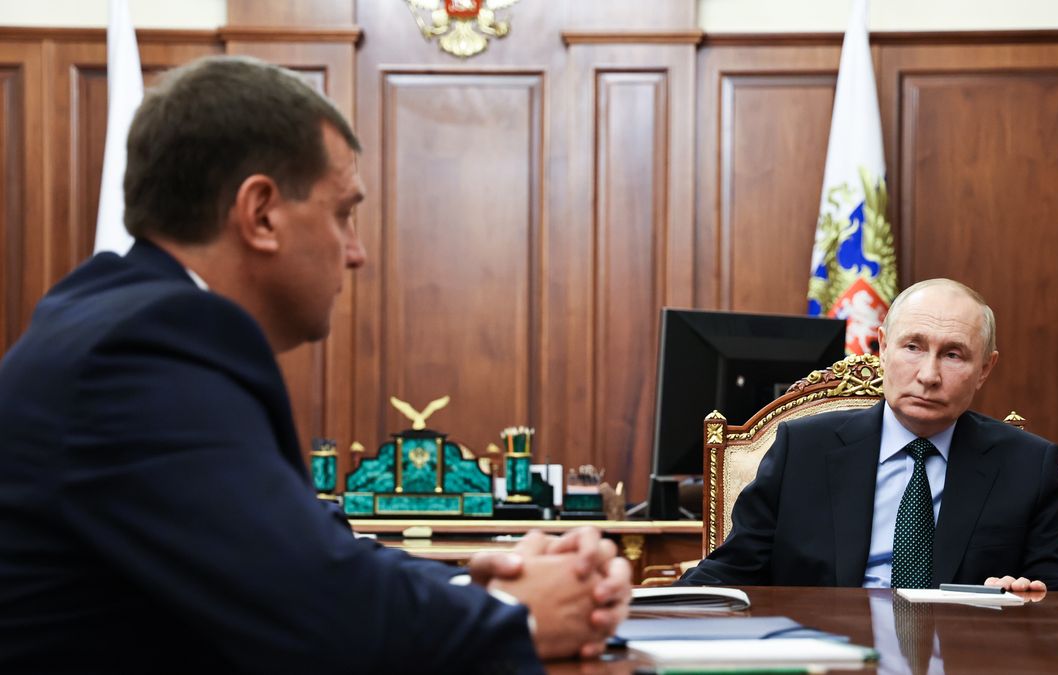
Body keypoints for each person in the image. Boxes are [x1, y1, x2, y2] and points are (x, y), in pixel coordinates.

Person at [0, 55, 630, 673]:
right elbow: (322, 614)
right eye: (343, 214)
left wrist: (475, 581)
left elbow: (304, 554)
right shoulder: (143, 351)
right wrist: (517, 614)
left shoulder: (117, 318)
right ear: (262, 213)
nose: (355, 253)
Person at [679, 278, 1058, 592]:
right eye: (913, 347)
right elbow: (732, 569)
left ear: (985, 369)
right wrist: (648, 618)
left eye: (953, 354)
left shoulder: (1028, 465)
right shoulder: (803, 449)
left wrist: (1027, 594)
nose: (928, 375)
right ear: (883, 347)